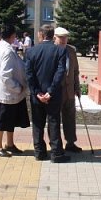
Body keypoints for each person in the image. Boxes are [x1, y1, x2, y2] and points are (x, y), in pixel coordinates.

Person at [25, 24, 69, 163]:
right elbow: (60, 73)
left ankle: (39, 152)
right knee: (54, 122)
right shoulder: (60, 51)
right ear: (52, 35)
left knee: (37, 124)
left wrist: (37, 92)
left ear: (41, 35)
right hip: (54, 95)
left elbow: (29, 75)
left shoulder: (31, 52)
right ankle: (56, 154)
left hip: (37, 96)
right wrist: (50, 92)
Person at [0, 24, 30, 157]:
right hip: (9, 92)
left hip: (9, 91)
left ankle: (10, 144)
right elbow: (6, 75)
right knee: (3, 120)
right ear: (12, 36)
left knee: (10, 119)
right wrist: (17, 87)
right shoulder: (6, 51)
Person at [54, 27, 82, 153]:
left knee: (70, 117)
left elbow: (75, 71)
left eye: (65, 37)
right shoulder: (52, 50)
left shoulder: (71, 50)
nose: (64, 39)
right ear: (55, 37)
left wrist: (77, 87)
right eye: (61, 37)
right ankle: (55, 144)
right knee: (54, 119)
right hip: (56, 90)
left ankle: (70, 142)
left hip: (69, 90)